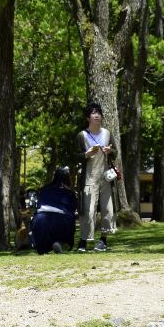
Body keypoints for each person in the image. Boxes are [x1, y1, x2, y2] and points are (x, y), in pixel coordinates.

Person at [77, 102, 116, 252]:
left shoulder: (107, 133)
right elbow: (75, 156)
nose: (97, 115)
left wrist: (109, 151)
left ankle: (103, 241)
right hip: (89, 176)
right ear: (88, 118)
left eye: (99, 113)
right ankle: (83, 241)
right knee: (88, 209)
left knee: (108, 209)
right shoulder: (82, 136)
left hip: (105, 177)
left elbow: (116, 152)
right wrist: (87, 154)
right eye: (94, 113)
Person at [30, 166, 78, 254]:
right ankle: (60, 243)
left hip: (40, 219)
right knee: (69, 223)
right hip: (60, 219)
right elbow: (72, 210)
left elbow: (38, 205)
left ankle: (42, 247)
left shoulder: (43, 190)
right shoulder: (69, 193)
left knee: (42, 235)